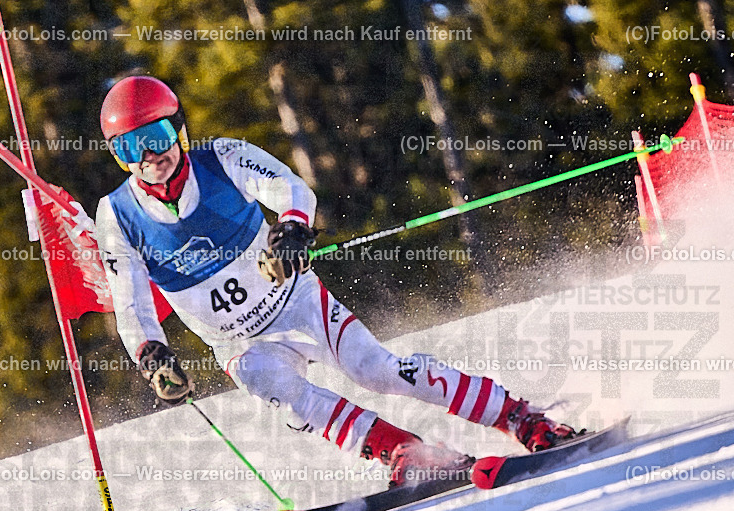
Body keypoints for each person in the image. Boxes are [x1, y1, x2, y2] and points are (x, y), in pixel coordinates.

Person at [74, 75, 576, 485]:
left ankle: (520, 417)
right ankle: (406, 453)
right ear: (118, 154)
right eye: (132, 147)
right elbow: (132, 304)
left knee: (376, 369)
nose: (149, 157)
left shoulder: (223, 159)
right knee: (286, 394)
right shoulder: (116, 215)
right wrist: (151, 355)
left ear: (178, 130)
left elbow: (289, 188)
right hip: (238, 343)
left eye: (157, 138)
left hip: (296, 304)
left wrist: (291, 229)